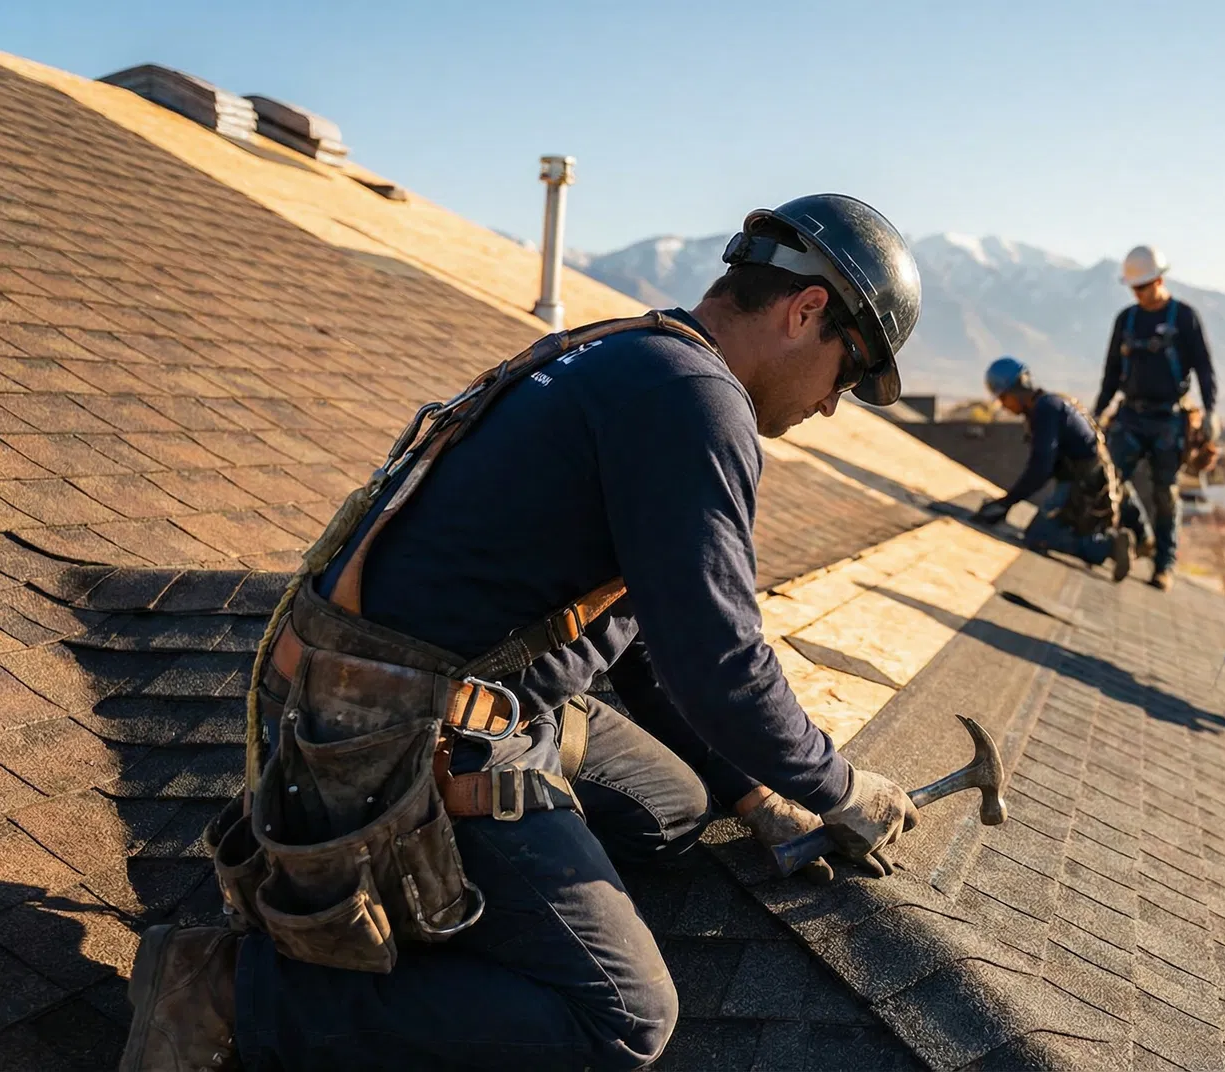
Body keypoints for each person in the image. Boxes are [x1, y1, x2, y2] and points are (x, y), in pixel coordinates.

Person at [119, 194, 926, 1072]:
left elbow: (656, 635)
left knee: (674, 804)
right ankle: (230, 989)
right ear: (807, 311)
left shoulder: (629, 352)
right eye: (847, 375)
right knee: (624, 1020)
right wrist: (839, 786)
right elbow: (719, 660)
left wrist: (757, 792)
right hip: (396, 733)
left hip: (405, 685)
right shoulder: (700, 403)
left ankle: (493, 885)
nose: (834, 404)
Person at [1092, 244, 1217, 590]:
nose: (1139, 294)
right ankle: (1140, 536)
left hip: (1169, 420)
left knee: (1166, 494)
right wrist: (1097, 414)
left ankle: (1164, 565)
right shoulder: (1126, 321)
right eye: (1134, 288)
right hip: (1131, 415)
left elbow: (1205, 370)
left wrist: (1210, 413)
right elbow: (1111, 374)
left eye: (1144, 286)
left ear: (1160, 279)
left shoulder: (1184, 318)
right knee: (1110, 478)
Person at [970, 356, 1134, 579]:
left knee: (1038, 536)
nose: (1004, 406)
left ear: (1015, 391)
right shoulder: (1050, 403)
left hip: (1082, 484)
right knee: (1048, 528)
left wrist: (1005, 503)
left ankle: (1107, 546)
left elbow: (1041, 467)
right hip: (1085, 480)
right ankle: (1097, 539)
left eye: (1003, 398)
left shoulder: (1046, 410)